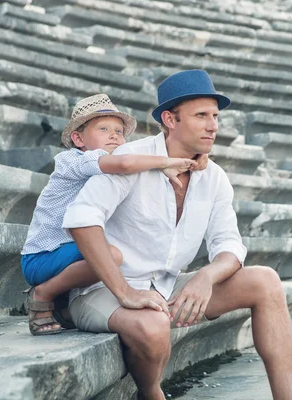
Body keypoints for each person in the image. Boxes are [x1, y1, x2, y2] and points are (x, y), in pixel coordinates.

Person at [62, 70, 292, 400]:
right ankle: (152, 393)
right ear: (170, 119)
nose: (213, 125)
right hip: (105, 290)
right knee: (154, 325)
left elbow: (229, 245)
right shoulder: (132, 159)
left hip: (166, 289)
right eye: (201, 115)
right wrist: (126, 292)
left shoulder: (215, 178)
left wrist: (206, 277)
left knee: (266, 281)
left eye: (215, 116)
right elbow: (81, 219)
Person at [21, 93, 206, 335]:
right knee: (113, 255)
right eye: (104, 129)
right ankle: (42, 294)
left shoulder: (107, 169)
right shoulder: (72, 160)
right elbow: (126, 164)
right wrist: (164, 162)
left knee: (114, 251)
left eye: (119, 132)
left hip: (70, 254)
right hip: (42, 256)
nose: (114, 136)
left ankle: (65, 306)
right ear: (78, 138)